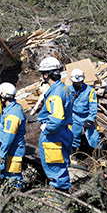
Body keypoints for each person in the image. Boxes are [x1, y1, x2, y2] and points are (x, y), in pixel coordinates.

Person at [37, 57, 73, 190]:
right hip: (64, 131)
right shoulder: (64, 88)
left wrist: (47, 128)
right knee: (61, 160)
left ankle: (58, 196)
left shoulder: (55, 94)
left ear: (46, 75)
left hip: (54, 134)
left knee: (54, 164)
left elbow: (56, 118)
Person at [0, 83, 26, 189]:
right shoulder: (15, 107)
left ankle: (14, 197)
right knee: (5, 172)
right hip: (10, 148)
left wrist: (1, 153)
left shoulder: (12, 115)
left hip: (13, 149)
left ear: (3, 96)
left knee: (13, 176)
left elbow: (9, 137)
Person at [68, 69, 102, 151]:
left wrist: (90, 120)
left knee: (93, 138)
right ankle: (73, 154)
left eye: (79, 82)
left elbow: (93, 106)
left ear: (83, 79)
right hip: (74, 117)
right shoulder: (68, 90)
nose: (77, 84)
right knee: (73, 136)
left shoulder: (90, 91)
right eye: (75, 82)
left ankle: (100, 156)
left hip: (86, 116)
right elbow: (65, 104)